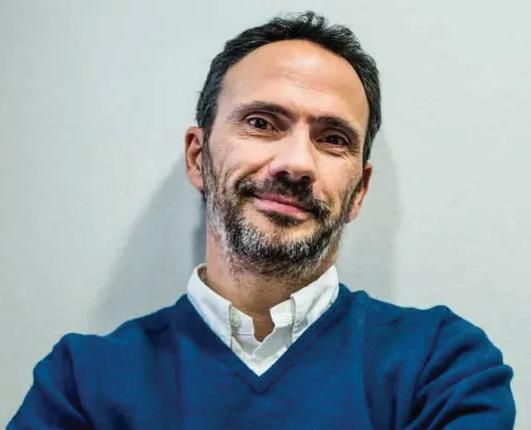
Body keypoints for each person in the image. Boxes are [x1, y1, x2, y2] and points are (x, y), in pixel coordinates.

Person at [8, 11, 515, 430]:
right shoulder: (80, 384)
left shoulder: (443, 367)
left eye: (333, 138)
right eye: (261, 123)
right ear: (197, 157)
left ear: (359, 191)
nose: (296, 163)